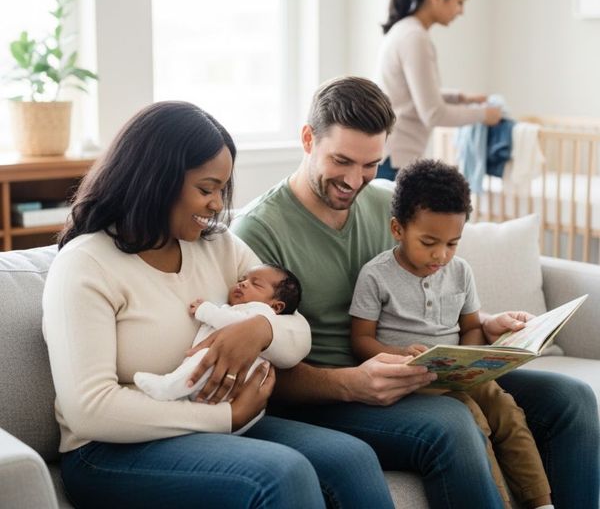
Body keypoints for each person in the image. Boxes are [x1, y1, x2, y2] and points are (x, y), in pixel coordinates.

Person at [231, 76, 600, 509]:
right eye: (342, 160)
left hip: (416, 374)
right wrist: (351, 384)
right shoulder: (256, 233)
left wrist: (486, 325)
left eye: (370, 164)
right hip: (330, 395)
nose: (354, 180)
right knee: (453, 425)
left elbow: (426, 280)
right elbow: (256, 368)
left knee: (571, 400)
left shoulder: (385, 203)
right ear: (308, 139)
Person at [42, 101, 396, 508]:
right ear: (156, 181)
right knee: (280, 474)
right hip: (108, 450)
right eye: (206, 189)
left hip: (218, 427)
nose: (217, 205)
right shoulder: (86, 264)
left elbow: (296, 332)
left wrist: (259, 329)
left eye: (221, 190)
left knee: (351, 458)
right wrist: (226, 417)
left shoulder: (218, 245)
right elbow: (89, 408)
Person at [349, 159, 553, 509]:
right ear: (397, 229)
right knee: (473, 423)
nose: (440, 255)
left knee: (508, 413)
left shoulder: (460, 272)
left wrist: (470, 359)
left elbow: (472, 326)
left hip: (460, 375)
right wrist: (397, 355)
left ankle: (542, 503)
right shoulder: (376, 275)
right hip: (412, 382)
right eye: (428, 242)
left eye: (452, 244)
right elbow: (360, 340)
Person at [134, 264, 301, 437]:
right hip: (229, 404)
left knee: (206, 356)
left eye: (255, 284)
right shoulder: (242, 307)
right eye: (242, 280)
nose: (243, 284)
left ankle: (167, 387)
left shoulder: (261, 312)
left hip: (233, 382)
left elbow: (233, 324)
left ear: (276, 306)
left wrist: (205, 310)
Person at [375, 0, 503, 179]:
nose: (461, 11)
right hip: (395, 159)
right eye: (460, 1)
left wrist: (460, 97)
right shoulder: (415, 38)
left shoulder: (406, 31)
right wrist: (484, 115)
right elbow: (433, 114)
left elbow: (410, 95)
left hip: (392, 155)